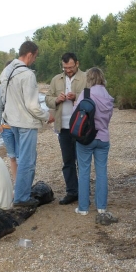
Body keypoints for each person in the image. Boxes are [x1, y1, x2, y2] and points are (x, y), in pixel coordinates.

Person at [1, 41, 54, 207]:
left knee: (23, 158)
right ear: (30, 54)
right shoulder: (28, 75)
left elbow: (5, 98)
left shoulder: (7, 71)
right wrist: (46, 116)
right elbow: (32, 105)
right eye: (35, 56)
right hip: (26, 123)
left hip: (12, 121)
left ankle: (22, 192)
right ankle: (22, 198)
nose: (34, 60)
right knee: (27, 160)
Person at [73, 67, 117, 225]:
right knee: (102, 172)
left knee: (84, 172)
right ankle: (102, 207)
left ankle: (83, 207)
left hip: (86, 138)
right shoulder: (108, 96)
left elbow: (75, 113)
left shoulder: (86, 94)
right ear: (102, 78)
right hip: (103, 138)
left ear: (89, 78)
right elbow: (108, 119)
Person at [45, 53, 87, 205]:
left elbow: (91, 98)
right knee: (68, 161)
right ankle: (72, 192)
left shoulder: (86, 78)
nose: (68, 70)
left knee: (82, 161)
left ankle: (83, 192)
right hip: (62, 127)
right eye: (65, 68)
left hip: (81, 126)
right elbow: (47, 99)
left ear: (77, 63)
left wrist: (75, 96)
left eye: (70, 67)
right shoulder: (56, 79)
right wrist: (56, 100)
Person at [0, 60, 17, 183]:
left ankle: (22, 185)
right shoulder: (1, 88)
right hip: (6, 128)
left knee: (21, 156)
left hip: (20, 127)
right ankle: (16, 182)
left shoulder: (21, 85)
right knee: (12, 156)